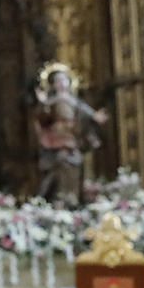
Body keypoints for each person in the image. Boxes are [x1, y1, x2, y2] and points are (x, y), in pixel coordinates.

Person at [34, 61, 107, 205]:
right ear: (53, 84)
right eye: (57, 80)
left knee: (74, 164)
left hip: (72, 136)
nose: (61, 83)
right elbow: (42, 117)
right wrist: (43, 103)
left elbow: (85, 112)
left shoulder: (73, 101)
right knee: (60, 165)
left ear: (69, 82)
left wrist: (95, 116)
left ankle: (73, 196)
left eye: (64, 79)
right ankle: (60, 198)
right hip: (57, 137)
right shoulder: (52, 101)